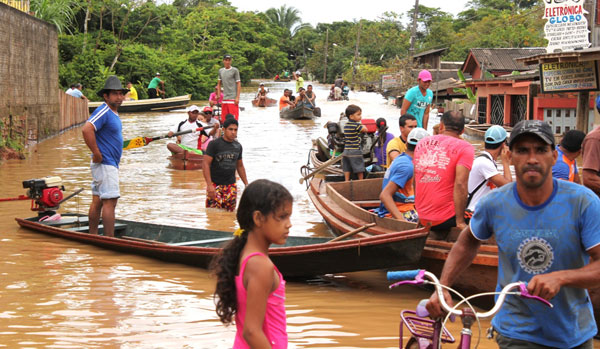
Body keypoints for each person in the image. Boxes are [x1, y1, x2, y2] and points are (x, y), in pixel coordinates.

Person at [426, 120, 600, 348]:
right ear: (509, 156)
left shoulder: (583, 202)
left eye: (540, 150)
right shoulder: (494, 203)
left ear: (554, 156)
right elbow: (468, 240)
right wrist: (443, 287)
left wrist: (561, 278)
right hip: (516, 331)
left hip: (574, 331)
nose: (532, 159)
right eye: (522, 151)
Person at [211, 179, 292, 348]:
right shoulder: (261, 265)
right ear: (258, 218)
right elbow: (252, 331)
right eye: (282, 217)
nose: (289, 224)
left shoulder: (245, 254)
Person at [81, 75, 129, 237]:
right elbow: (87, 129)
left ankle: (93, 235)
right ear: (106, 96)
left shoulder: (112, 113)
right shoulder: (104, 111)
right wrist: (96, 153)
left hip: (108, 164)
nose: (119, 97)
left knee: (98, 200)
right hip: (105, 164)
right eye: (115, 94)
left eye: (121, 94)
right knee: (110, 202)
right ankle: (110, 239)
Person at [413, 111, 474, 232]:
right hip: (445, 219)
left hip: (422, 217)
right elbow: (461, 184)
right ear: (462, 131)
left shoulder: (421, 143)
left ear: (441, 126)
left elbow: (416, 179)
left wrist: (420, 212)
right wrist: (460, 221)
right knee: (484, 215)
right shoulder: (465, 148)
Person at [379, 127, 429, 222]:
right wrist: (402, 221)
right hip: (399, 212)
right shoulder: (407, 167)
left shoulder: (403, 159)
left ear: (406, 144)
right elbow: (385, 195)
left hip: (406, 207)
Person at [203, 117, 248, 212]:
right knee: (213, 214)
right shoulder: (214, 144)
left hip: (231, 186)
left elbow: (240, 166)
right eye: (230, 129)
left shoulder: (238, 146)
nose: (233, 132)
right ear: (223, 130)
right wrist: (209, 185)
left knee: (229, 216)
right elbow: (205, 164)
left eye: (235, 130)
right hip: (215, 185)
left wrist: (246, 184)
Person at [465, 125, 512, 216]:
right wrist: (505, 162)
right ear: (503, 144)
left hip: (480, 211)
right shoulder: (484, 163)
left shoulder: (487, 161)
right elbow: (508, 188)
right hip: (474, 212)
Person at [342, 104, 368, 181]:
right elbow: (365, 130)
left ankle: (346, 180)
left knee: (347, 167)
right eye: (358, 115)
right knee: (359, 166)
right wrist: (363, 125)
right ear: (351, 116)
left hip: (346, 150)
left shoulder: (346, 125)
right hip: (355, 150)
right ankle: (361, 180)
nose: (360, 117)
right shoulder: (356, 125)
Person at [217, 54, 241, 123]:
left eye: (229, 60)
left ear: (231, 61)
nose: (227, 62)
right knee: (224, 120)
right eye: (226, 60)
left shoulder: (235, 70)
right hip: (224, 99)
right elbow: (219, 83)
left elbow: (238, 83)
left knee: (234, 119)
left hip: (232, 98)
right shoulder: (221, 71)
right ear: (223, 61)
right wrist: (218, 94)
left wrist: (237, 97)